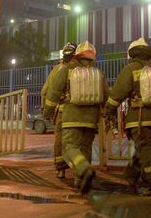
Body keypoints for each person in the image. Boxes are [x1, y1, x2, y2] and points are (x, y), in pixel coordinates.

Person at [104, 37, 151, 196]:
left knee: (145, 149)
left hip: (138, 117)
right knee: (143, 147)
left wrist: (109, 110)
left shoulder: (131, 68)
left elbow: (118, 93)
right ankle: (130, 176)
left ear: (132, 54)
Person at [43, 41, 108, 195]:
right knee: (85, 148)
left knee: (68, 147)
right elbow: (106, 95)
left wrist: (47, 112)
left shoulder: (67, 69)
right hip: (91, 120)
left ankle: (84, 170)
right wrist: (108, 114)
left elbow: (53, 92)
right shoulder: (97, 73)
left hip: (71, 116)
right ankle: (80, 181)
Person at [42, 42, 76, 179]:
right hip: (78, 112)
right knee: (76, 141)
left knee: (60, 139)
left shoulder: (56, 70)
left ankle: (60, 170)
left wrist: (46, 111)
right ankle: (78, 169)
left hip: (61, 112)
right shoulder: (81, 68)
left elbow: (45, 91)